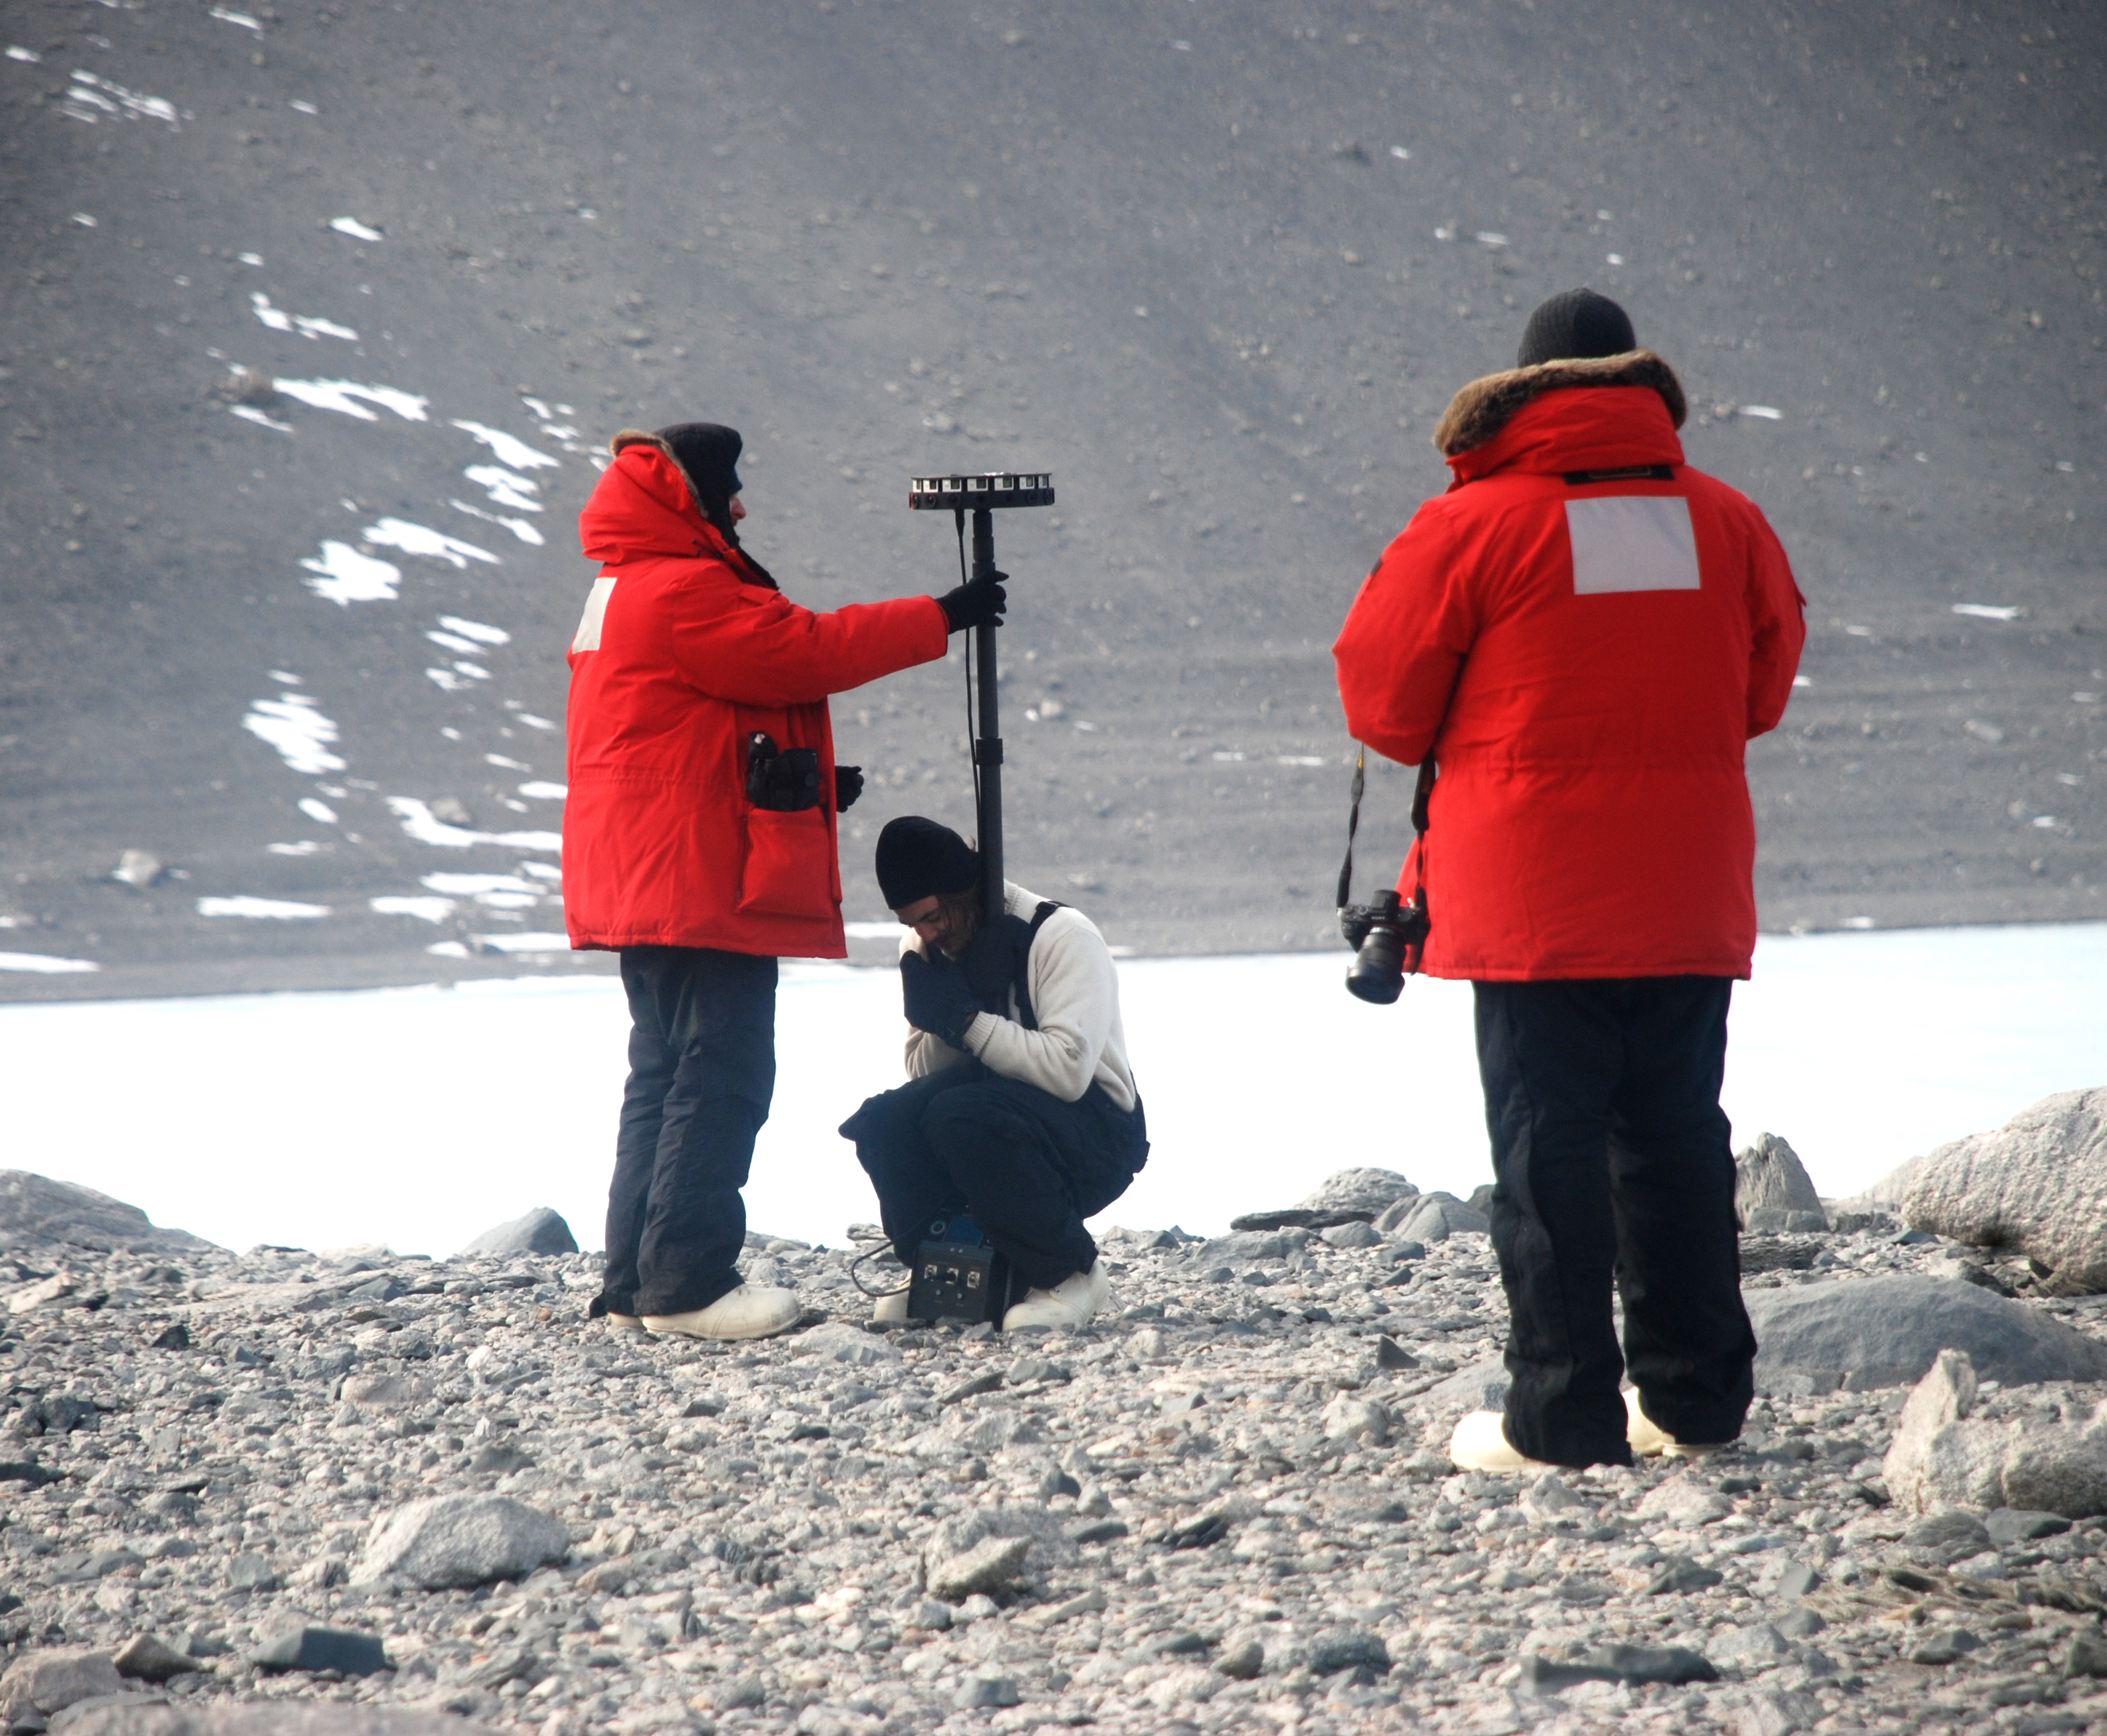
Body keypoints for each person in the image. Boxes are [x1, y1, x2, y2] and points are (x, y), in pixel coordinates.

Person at [1333, 289, 1806, 1471]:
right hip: (1686, 891)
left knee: (1548, 1154)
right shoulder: (1726, 520)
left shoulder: (1471, 524)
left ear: (1527, 386)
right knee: (1678, 1141)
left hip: (1533, 905)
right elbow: (1760, 693)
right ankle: (1696, 1402)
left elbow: (1384, 711)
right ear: (1637, 382)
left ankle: (1563, 1417)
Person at [564, 423, 1008, 1341]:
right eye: (727, 486)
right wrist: (942, 615)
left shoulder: (620, 586)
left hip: (647, 870)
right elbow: (801, 649)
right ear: (689, 492)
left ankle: (633, 1284)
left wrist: (799, 780)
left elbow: (686, 724)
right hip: (696, 878)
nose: (741, 504)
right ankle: (685, 1284)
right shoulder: (685, 586)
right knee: (719, 1073)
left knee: (661, 1071)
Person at [839, 816, 1148, 1332]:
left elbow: (1070, 1071)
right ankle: (937, 1269)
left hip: (1098, 1137)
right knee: (882, 1121)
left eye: (933, 917)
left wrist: (972, 1021)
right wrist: (943, 1019)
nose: (926, 933)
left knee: (961, 1115)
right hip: (990, 1124)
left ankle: (1070, 1273)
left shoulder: (1061, 937)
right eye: (912, 924)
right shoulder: (926, 948)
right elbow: (920, 1074)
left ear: (966, 892)